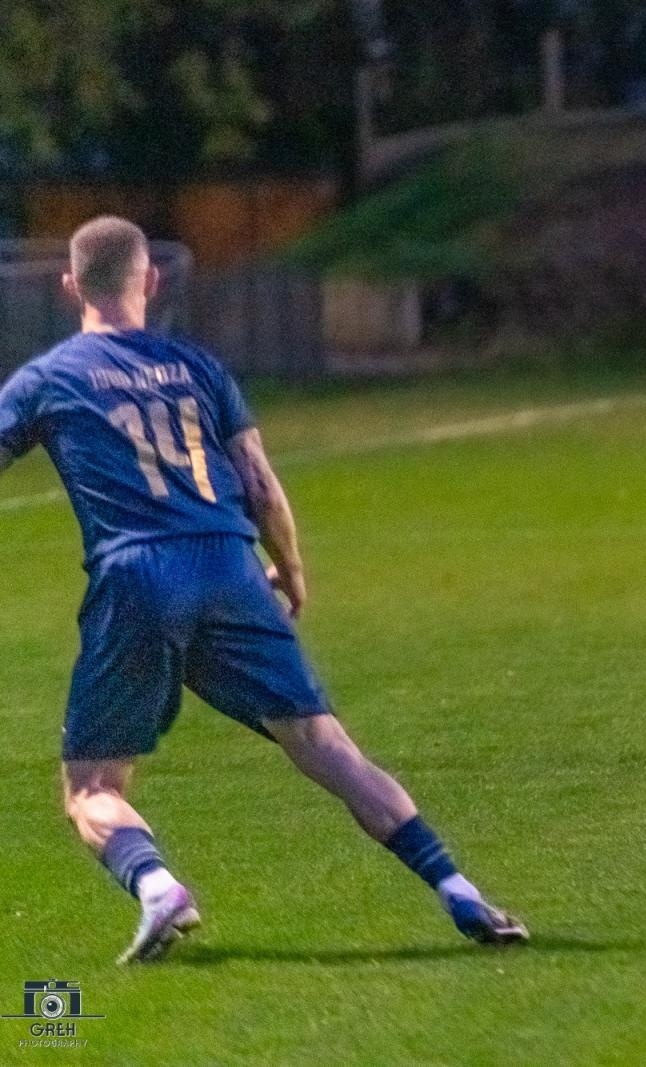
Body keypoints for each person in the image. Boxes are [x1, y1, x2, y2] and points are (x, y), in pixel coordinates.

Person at [0, 216, 528, 962]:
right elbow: (258, 481)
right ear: (152, 280)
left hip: (138, 575)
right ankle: (457, 887)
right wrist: (291, 567)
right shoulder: (198, 367)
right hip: (231, 565)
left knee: (92, 784)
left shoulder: (49, 377)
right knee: (325, 744)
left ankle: (157, 887)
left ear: (68, 287)